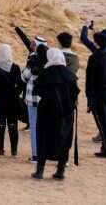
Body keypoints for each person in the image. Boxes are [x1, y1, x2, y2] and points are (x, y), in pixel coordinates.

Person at [32, 48, 80, 180]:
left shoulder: (46, 74)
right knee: (64, 141)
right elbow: (75, 92)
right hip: (66, 114)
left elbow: (38, 90)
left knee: (43, 140)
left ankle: (40, 171)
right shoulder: (70, 75)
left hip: (47, 113)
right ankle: (60, 171)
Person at [81, 21, 106, 142]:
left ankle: (103, 135)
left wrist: (85, 27)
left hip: (99, 88)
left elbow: (84, 39)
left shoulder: (99, 53)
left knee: (99, 113)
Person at [18, 34, 47, 162]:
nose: (30, 45)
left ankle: (36, 155)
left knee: (34, 127)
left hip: (33, 98)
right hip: (46, 98)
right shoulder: (50, 59)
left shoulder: (33, 59)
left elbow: (24, 76)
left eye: (33, 44)